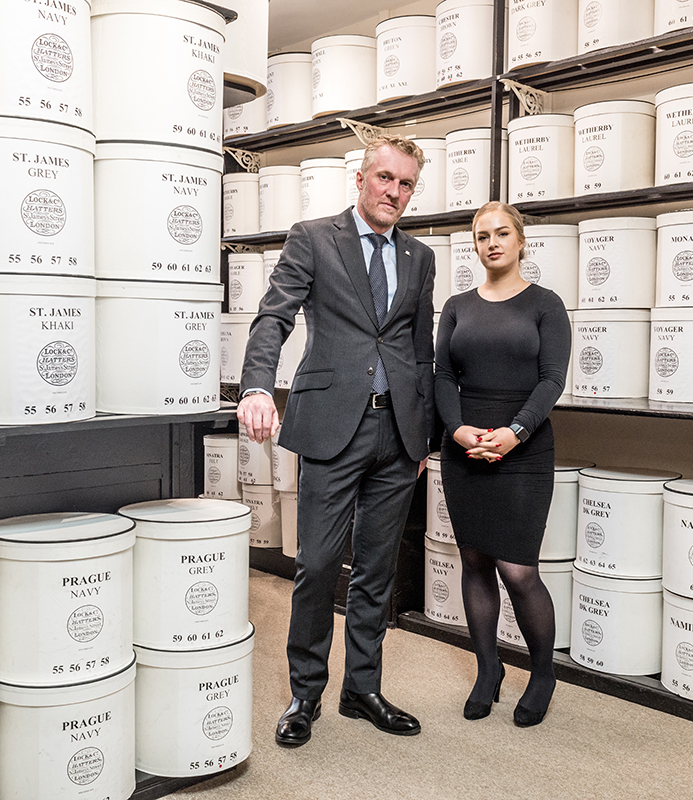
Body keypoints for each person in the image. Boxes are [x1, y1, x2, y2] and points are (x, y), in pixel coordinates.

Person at [236, 134, 436, 747]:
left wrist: (423, 432)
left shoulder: (421, 257)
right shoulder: (313, 237)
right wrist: (257, 387)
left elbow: (419, 348)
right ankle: (305, 694)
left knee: (378, 568)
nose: (394, 193)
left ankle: (362, 689)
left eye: (406, 184)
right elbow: (275, 314)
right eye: (386, 179)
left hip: (398, 431)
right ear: (361, 177)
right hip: (332, 425)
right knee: (318, 562)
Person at [433, 201, 571, 727]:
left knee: (518, 569)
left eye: (501, 234)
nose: (492, 243)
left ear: (520, 242)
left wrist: (515, 432)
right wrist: (458, 430)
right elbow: (443, 377)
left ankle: (541, 674)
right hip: (464, 447)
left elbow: (552, 379)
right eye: (482, 235)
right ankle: (487, 670)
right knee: (473, 561)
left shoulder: (545, 304)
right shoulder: (457, 306)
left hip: (525, 448)